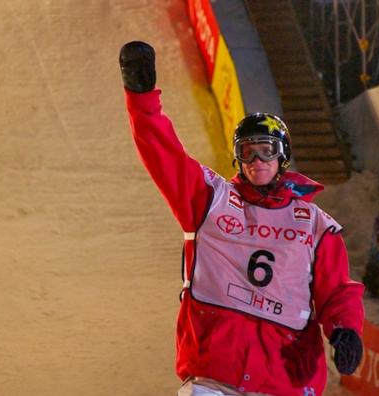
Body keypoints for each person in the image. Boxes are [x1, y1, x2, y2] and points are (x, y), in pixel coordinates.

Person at [119, 41, 364, 396]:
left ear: (283, 157)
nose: (257, 159)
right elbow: (164, 155)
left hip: (282, 377)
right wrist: (141, 99)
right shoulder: (211, 199)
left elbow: (337, 290)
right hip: (215, 371)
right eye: (247, 150)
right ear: (237, 158)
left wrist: (345, 328)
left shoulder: (315, 225)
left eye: (268, 149)